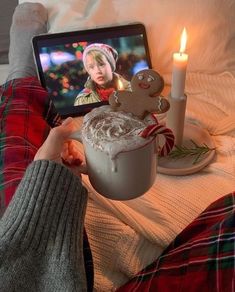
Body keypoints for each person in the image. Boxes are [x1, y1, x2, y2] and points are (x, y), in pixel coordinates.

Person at [0, 3, 234, 292]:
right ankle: (21, 84)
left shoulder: (128, 90)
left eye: (102, 63)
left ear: (113, 63)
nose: (97, 70)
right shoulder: (85, 95)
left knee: (18, 169)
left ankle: (20, 84)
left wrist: (45, 182)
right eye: (91, 65)